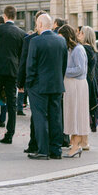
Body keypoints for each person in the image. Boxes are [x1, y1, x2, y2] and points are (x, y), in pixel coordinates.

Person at [25, 12, 66, 160]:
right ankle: (56, 150)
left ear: (41, 25)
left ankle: (43, 150)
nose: (36, 26)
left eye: (37, 24)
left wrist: (28, 84)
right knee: (56, 117)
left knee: (40, 117)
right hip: (56, 85)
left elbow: (31, 66)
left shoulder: (36, 41)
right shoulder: (61, 41)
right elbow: (63, 65)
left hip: (38, 86)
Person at [0, 5, 25, 143]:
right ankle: (9, 134)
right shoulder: (21, 33)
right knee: (12, 103)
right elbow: (22, 55)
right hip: (13, 71)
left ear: (5, 15)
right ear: (15, 15)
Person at [60, 24, 88, 158]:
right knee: (71, 114)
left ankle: (76, 145)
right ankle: (74, 143)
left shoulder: (78, 49)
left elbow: (80, 69)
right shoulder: (70, 49)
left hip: (77, 86)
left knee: (76, 115)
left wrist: (63, 71)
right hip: (71, 86)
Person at [79, 26, 98, 133]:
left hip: (85, 81)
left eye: (80, 33)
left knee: (83, 112)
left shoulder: (84, 49)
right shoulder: (92, 49)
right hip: (91, 81)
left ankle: (83, 138)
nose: (78, 35)